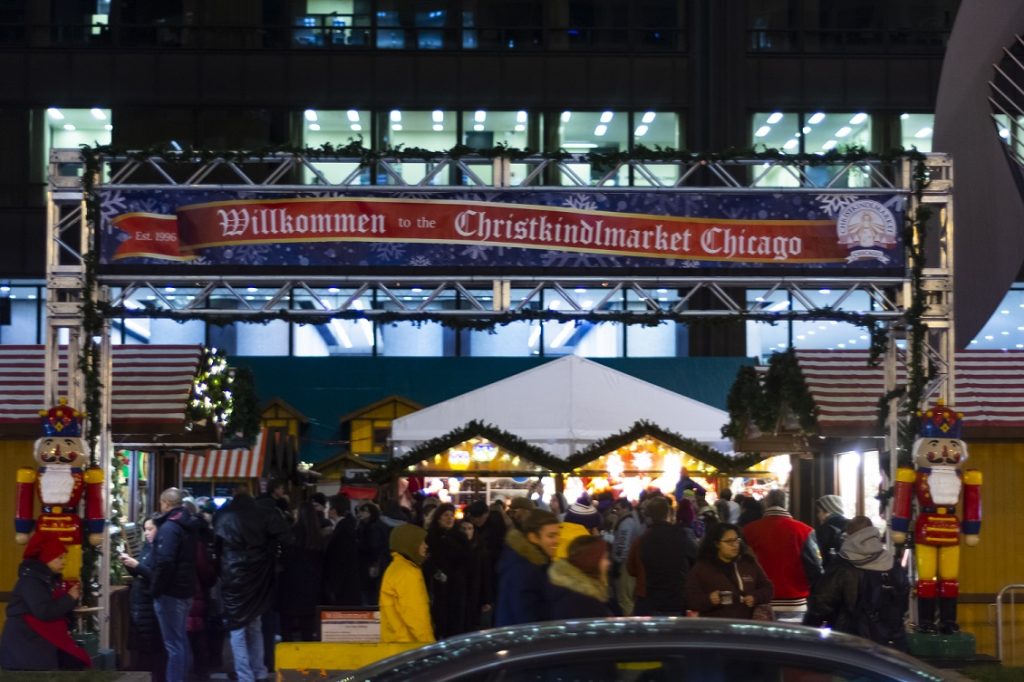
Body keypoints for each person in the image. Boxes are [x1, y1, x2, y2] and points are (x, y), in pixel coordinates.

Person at [215, 485, 292, 682]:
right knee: (255, 624)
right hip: (259, 576)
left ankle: (245, 674)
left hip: (232, 574)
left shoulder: (222, 515)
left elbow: (216, 548)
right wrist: (274, 558)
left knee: (237, 628)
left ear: (233, 495)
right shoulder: (265, 513)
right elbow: (286, 538)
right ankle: (259, 669)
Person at [804, 516, 909, 651]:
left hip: (852, 646)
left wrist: (808, 631)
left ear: (849, 535)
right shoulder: (892, 563)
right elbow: (903, 603)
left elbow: (821, 603)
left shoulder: (842, 565)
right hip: (891, 645)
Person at [0, 534, 90, 670]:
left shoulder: (44, 579)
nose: (64, 562)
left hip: (32, 643)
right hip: (26, 645)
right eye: (59, 558)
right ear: (45, 558)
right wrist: (69, 598)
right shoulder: (31, 581)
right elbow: (44, 611)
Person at [743, 489, 823, 622]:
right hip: (795, 603)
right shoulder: (805, 531)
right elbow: (815, 568)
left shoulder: (748, 530)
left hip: (759, 602)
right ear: (786, 504)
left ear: (766, 505)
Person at [151, 487, 202, 682]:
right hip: (185, 590)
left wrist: (156, 588)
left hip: (170, 592)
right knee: (180, 641)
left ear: (165, 503)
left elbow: (165, 562)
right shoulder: (187, 524)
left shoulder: (169, 528)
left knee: (173, 644)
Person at [684, 523, 773, 619]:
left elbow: (768, 588)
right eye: (729, 541)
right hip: (717, 627)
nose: (735, 545)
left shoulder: (748, 563)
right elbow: (689, 600)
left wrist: (755, 597)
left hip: (746, 626)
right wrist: (709, 600)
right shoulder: (702, 568)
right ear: (717, 544)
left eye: (737, 540)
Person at [630, 496, 697, 616]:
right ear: (668, 514)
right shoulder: (681, 536)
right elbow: (695, 559)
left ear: (649, 516)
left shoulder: (643, 539)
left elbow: (631, 568)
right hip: (676, 598)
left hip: (650, 599)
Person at [495, 509, 560, 626]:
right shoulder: (525, 570)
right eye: (551, 536)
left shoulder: (532, 563)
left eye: (558, 535)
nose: (557, 541)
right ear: (533, 537)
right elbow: (527, 620)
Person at [120, 517, 165, 681]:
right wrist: (129, 564)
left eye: (150, 529)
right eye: (145, 529)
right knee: (141, 648)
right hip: (140, 605)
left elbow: (155, 576)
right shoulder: (147, 547)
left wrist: (137, 565)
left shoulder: (161, 549)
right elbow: (140, 574)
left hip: (149, 606)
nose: (147, 533)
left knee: (151, 649)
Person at [379, 523, 435, 643]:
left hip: (394, 643)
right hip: (409, 646)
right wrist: (429, 646)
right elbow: (415, 616)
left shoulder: (395, 568)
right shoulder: (407, 573)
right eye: (422, 542)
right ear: (411, 544)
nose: (425, 546)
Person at [280, 501, 327, 641]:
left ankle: (288, 659)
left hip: (291, 586)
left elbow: (285, 558)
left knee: (287, 627)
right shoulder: (317, 536)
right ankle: (306, 659)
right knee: (307, 628)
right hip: (311, 587)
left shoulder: (292, 533)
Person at [424, 503, 470, 638]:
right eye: (446, 515)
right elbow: (427, 560)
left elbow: (467, 558)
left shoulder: (460, 537)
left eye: (451, 515)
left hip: (457, 583)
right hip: (438, 585)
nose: (449, 518)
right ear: (438, 518)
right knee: (440, 618)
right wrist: (436, 572)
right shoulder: (431, 536)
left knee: (456, 619)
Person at [546, 535, 614, 619]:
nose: (608, 563)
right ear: (592, 561)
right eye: (604, 558)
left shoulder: (571, 592)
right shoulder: (584, 604)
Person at [323, 495, 361, 606]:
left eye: (329, 507)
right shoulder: (344, 526)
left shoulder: (343, 530)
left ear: (334, 510)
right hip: (346, 582)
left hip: (343, 583)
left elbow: (340, 559)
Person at [459, 519, 493, 630]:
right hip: (460, 593)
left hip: (475, 593)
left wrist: (486, 599)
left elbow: (486, 575)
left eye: (469, 528)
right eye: (463, 529)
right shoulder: (454, 547)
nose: (467, 532)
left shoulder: (480, 550)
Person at [611, 498, 643, 615]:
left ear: (625, 508)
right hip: (630, 562)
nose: (616, 512)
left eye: (618, 509)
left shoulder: (626, 523)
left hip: (625, 564)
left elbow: (622, 545)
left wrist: (617, 561)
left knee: (625, 598)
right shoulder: (634, 519)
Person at [356, 502, 390, 606]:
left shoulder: (372, 528)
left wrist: (374, 564)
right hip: (377, 564)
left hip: (371, 564)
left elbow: (374, 547)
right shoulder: (374, 525)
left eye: (363, 511)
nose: (360, 514)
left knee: (369, 594)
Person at [815, 494, 850, 570]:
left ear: (828, 510)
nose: (818, 515)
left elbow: (818, 557)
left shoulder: (824, 529)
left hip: (830, 574)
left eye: (819, 511)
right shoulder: (851, 525)